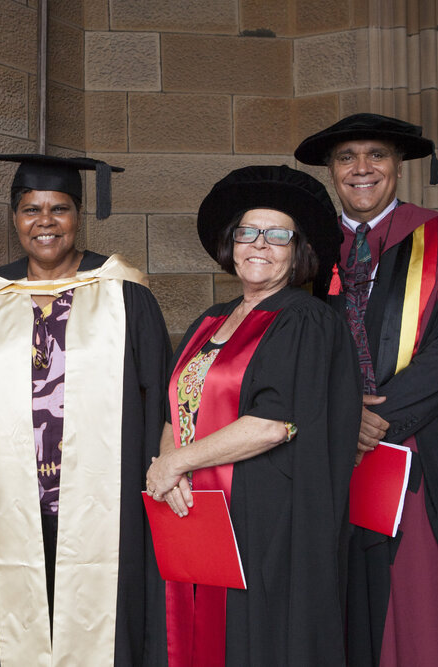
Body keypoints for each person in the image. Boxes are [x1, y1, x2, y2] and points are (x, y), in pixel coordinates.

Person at [295, 112, 438, 666]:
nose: (362, 168)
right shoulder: (308, 249)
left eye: (375, 154)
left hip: (420, 445)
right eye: (347, 157)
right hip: (329, 451)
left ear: (398, 165)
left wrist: (375, 421)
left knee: (417, 586)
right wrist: (339, 419)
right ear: (331, 170)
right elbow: (291, 347)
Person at [145, 165, 361, 666]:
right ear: (231, 242)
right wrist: (168, 462)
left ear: (297, 249)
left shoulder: (306, 321)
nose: (259, 244)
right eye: (248, 232)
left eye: (277, 235)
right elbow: (173, 410)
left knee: (251, 639)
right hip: (194, 510)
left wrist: (175, 465)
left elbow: (273, 423)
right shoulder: (210, 319)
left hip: (263, 517)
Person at [0, 154, 171, 666]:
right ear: (14, 218)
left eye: (59, 209)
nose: (45, 222)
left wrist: (154, 478)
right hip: (12, 498)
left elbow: (159, 392)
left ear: (78, 216)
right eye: (31, 209)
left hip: (106, 499)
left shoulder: (124, 291)